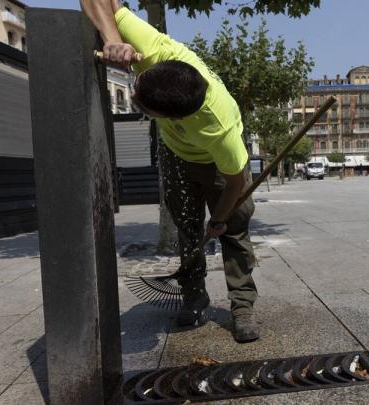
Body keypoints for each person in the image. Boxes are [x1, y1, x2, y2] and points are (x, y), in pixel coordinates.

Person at [81, 0, 260, 343]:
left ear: (173, 118)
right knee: (186, 227)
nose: (133, 91)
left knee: (233, 230)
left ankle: (242, 305)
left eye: (141, 102)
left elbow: (236, 182)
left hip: (217, 166)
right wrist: (112, 38)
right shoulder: (155, 50)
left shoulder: (218, 130)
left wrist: (219, 217)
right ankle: (194, 295)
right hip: (177, 154)